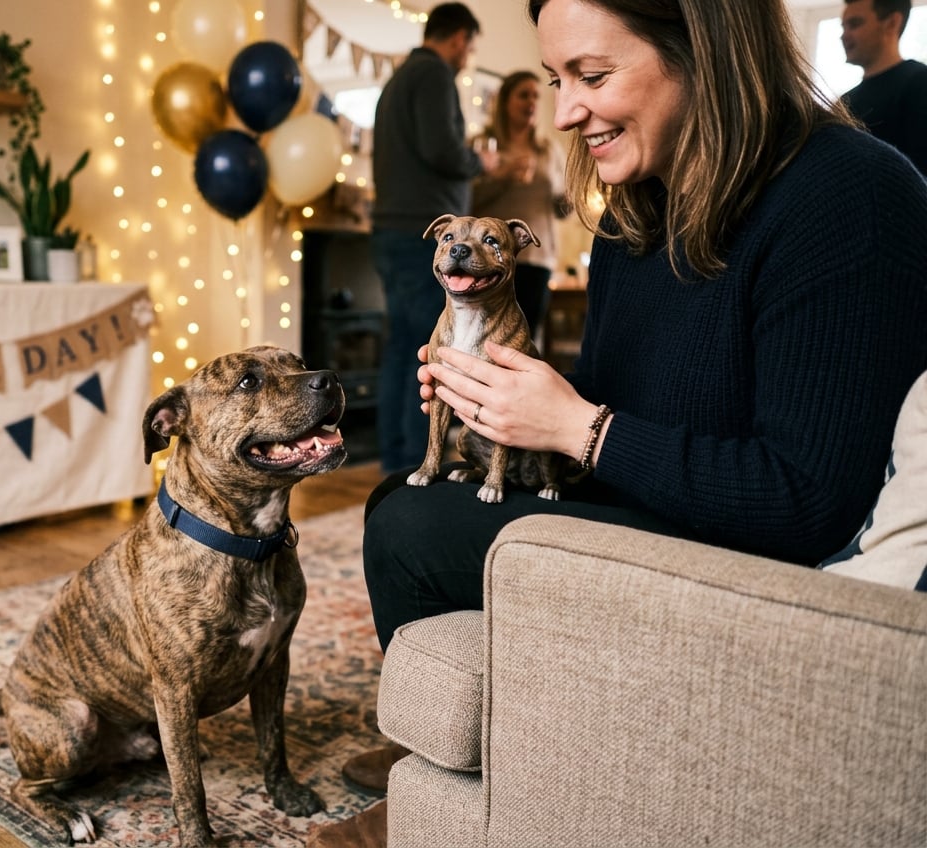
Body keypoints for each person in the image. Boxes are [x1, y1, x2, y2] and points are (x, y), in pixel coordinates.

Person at [306, 0, 927, 844]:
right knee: (404, 502)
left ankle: (500, 770)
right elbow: (609, 395)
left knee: (413, 524)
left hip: (756, 559)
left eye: (593, 77)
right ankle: (482, 747)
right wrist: (507, 405)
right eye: (559, 79)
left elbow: (809, 501)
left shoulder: (853, 193)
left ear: (703, 49)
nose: (564, 110)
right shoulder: (634, 212)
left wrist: (581, 430)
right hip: (663, 508)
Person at [370, 2, 500, 474]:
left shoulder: (399, 79)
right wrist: (479, 163)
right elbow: (442, 149)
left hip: (390, 228)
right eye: (469, 45)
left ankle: (396, 458)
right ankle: (414, 462)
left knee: (402, 347)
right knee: (429, 353)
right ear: (459, 38)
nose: (467, 56)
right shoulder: (433, 76)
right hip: (419, 233)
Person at [471, 69, 570, 337]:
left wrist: (575, 199)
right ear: (505, 101)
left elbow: (561, 209)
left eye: (536, 96)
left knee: (525, 335)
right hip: (490, 257)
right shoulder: (484, 145)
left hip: (538, 257)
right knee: (487, 334)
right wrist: (503, 178)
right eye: (523, 95)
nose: (531, 103)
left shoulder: (548, 149)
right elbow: (467, 202)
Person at [840, 0, 927, 174]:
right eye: (844, 26)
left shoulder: (919, 82)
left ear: (892, 23)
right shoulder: (844, 101)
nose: (844, 35)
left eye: (855, 24)